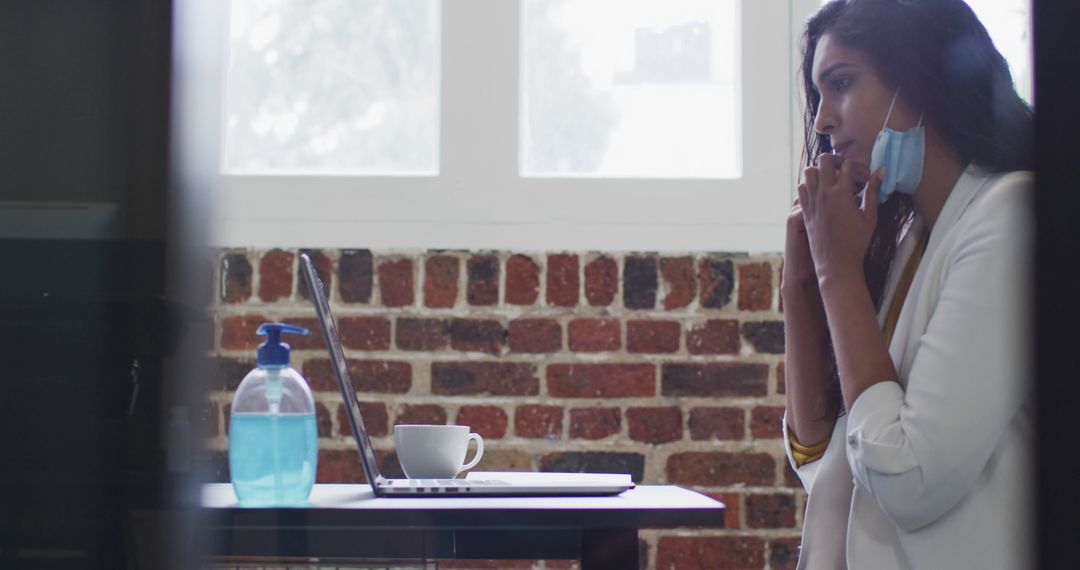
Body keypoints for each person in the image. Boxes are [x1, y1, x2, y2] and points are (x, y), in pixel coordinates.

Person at [780, 0, 1034, 568]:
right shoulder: (912, 239)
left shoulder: (1011, 216)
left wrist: (837, 272)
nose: (821, 120)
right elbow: (827, 468)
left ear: (919, 80)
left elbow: (908, 481)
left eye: (840, 83)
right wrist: (801, 286)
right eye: (818, 95)